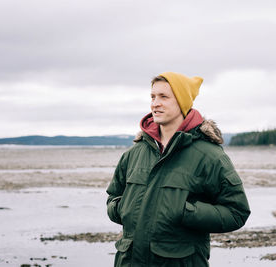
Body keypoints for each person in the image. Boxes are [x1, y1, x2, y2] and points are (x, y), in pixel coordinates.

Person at [106, 72, 250, 266]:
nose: (155, 103)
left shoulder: (209, 156)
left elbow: (237, 212)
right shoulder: (135, 153)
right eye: (153, 97)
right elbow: (112, 198)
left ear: (182, 102)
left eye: (164, 97)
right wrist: (124, 208)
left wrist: (185, 212)